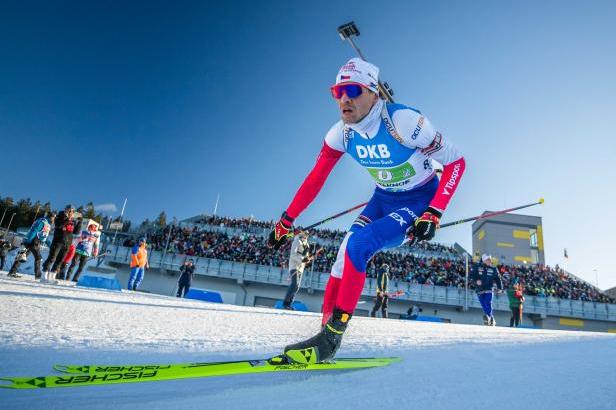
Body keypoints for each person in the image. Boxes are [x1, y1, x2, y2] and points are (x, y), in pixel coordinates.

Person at [268, 58, 466, 363]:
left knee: (359, 245)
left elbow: (456, 162)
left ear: (374, 93)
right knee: (342, 256)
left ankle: (333, 338)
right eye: (337, 92)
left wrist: (434, 212)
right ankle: (323, 334)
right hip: (382, 199)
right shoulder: (342, 134)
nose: (344, 99)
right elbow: (315, 178)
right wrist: (286, 221)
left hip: (417, 202)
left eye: (352, 90)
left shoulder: (403, 122)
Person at [8, 213, 55, 279]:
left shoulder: (45, 223)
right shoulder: (43, 222)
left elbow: (44, 236)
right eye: (54, 217)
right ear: (51, 217)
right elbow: (34, 231)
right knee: (38, 258)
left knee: (22, 255)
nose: (54, 220)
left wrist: (50, 245)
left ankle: (12, 272)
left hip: (33, 240)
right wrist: (28, 241)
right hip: (33, 241)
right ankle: (38, 276)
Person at [42, 205, 79, 282]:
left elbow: (76, 232)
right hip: (58, 242)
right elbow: (59, 225)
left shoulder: (72, 220)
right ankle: (44, 275)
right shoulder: (59, 216)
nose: (71, 212)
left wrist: (79, 222)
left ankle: (52, 276)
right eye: (70, 210)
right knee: (52, 258)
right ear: (66, 210)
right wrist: (68, 220)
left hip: (67, 243)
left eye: (72, 211)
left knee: (60, 260)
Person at [471, 254, 503, 326]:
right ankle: (491, 318)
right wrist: (476, 281)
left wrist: (500, 288)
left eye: (490, 259)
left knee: (488, 302)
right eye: (488, 259)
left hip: (489, 289)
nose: (490, 261)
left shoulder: (493, 268)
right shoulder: (477, 266)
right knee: (484, 305)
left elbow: (498, 279)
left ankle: (488, 317)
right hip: (479, 289)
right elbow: (471, 275)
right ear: (484, 260)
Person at [282, 231, 312, 310]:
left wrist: (307, 259)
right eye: (305, 233)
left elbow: (306, 256)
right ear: (302, 233)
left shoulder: (307, 244)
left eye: (308, 234)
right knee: (294, 284)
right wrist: (302, 259)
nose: (307, 235)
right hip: (294, 265)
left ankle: (289, 304)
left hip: (301, 267)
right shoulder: (297, 241)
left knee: (297, 287)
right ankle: (285, 303)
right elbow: (293, 254)